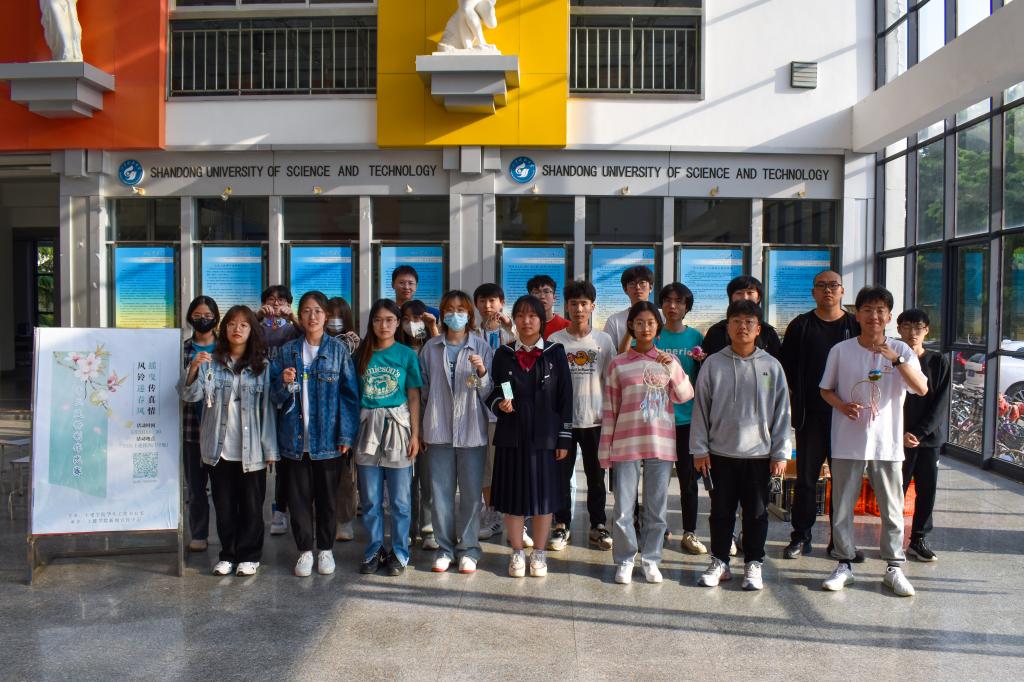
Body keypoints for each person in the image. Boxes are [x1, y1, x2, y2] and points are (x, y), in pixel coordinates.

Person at [819, 286, 928, 597]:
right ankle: (844, 563)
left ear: (889, 317)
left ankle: (894, 567)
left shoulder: (901, 349)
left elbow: (921, 388)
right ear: (857, 315)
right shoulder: (841, 350)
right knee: (842, 506)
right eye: (867, 310)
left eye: (880, 310)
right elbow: (825, 389)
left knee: (892, 508)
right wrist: (842, 406)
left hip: (887, 443)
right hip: (847, 439)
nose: (873, 316)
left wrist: (897, 360)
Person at [692, 300, 791, 591]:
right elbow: (701, 409)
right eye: (736, 321)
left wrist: (780, 452)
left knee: (757, 513)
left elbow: (782, 412)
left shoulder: (771, 366)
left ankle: (754, 563)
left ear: (758, 329)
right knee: (720, 512)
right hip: (720, 454)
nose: (742, 327)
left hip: (760, 455)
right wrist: (699, 448)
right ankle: (720, 562)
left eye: (749, 322)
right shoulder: (713, 364)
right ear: (728, 327)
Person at [179, 305, 278, 577]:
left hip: (251, 448)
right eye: (232, 324)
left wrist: (270, 448)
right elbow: (190, 396)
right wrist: (193, 369)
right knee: (223, 506)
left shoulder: (262, 367)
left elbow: (268, 410)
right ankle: (228, 555)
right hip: (218, 447)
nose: (237, 329)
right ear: (224, 329)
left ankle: (249, 556)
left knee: (251, 507)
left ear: (252, 331)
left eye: (244, 325)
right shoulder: (211, 362)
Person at [599, 301, 693, 584]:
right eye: (639, 322)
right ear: (631, 326)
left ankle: (651, 559)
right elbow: (610, 409)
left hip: (660, 443)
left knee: (656, 508)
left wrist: (672, 369)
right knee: (623, 509)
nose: (645, 327)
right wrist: (605, 450)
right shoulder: (618, 363)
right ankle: (625, 559)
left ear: (658, 327)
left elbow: (685, 396)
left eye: (650, 322)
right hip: (625, 443)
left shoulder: (667, 361)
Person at [270, 291, 360, 578]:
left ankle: (325, 549)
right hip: (294, 440)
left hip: (328, 440)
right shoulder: (287, 351)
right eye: (307, 311)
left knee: (327, 499)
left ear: (326, 316)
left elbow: (349, 396)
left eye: (318, 311)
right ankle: (305, 551)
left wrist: (346, 435)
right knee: (298, 499)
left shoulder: (338, 351)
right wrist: (283, 383)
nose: (312, 316)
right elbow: (273, 396)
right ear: (300, 315)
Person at [487, 295, 573, 578]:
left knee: (543, 498)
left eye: (532, 315)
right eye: (521, 315)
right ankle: (516, 552)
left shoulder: (555, 352)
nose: (526, 321)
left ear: (541, 320)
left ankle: (538, 552)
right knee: (513, 497)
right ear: (514, 319)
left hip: (546, 437)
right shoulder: (504, 354)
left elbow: (565, 397)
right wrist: (501, 403)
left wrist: (563, 438)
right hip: (512, 434)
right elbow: (498, 388)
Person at [781, 270, 860, 560]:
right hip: (811, 416)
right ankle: (800, 536)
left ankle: (839, 541)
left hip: (847, 416)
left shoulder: (854, 325)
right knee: (806, 479)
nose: (828, 290)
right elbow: (787, 367)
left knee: (843, 482)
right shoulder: (801, 325)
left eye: (833, 285)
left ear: (842, 291)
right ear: (813, 292)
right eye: (821, 286)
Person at [420, 290, 494, 573]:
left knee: (472, 494)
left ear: (469, 315)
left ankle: (469, 549)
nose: (455, 314)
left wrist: (482, 372)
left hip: (472, 431)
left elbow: (490, 392)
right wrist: (420, 430)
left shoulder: (480, 346)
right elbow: (423, 392)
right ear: (442, 313)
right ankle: (445, 548)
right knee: (440, 494)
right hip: (438, 430)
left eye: (460, 309)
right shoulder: (431, 348)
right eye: (449, 309)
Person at [353, 299, 424, 576]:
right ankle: (374, 550)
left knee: (400, 501)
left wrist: (415, 434)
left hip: (398, 429)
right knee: (370, 500)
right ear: (371, 323)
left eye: (389, 320)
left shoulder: (407, 354)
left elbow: (414, 396)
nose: (383, 325)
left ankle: (399, 552)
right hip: (367, 430)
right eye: (378, 320)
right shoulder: (361, 354)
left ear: (398, 323)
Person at [548, 280, 615, 551]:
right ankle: (561, 524)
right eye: (574, 303)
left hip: (595, 420)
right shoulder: (555, 341)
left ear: (592, 307)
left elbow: (610, 380)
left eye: (584, 303)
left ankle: (598, 524)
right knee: (561, 476)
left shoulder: (603, 340)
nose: (578, 309)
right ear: (567, 306)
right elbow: (550, 384)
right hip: (563, 421)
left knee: (596, 477)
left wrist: (611, 418)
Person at [655, 282, 709, 555]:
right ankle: (658, 527)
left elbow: (703, 379)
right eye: (667, 300)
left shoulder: (696, 337)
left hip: (688, 420)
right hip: (657, 421)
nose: (672, 306)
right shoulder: (654, 335)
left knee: (688, 481)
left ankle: (690, 532)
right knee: (657, 481)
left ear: (687, 307)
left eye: (679, 301)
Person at [897, 308, 950, 562]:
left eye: (918, 327)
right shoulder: (893, 360)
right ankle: (892, 537)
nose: (913, 333)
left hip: (928, 439)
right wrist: (901, 433)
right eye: (907, 327)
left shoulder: (938, 361)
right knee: (895, 490)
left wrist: (918, 433)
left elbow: (940, 403)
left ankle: (918, 539)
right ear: (899, 329)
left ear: (927, 331)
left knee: (927, 490)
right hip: (898, 439)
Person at [472, 283, 518, 542]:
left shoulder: (510, 334)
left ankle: (514, 517)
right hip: (477, 409)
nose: (488, 306)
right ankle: (491, 515)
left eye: (493, 301)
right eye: (483, 301)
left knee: (508, 465)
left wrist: (511, 328)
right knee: (486, 467)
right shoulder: (471, 334)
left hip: (504, 409)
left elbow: (510, 374)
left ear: (502, 303)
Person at [257, 285, 302, 538]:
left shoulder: (293, 328)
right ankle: (256, 511)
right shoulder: (258, 327)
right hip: (259, 396)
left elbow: (310, 336)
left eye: (282, 300)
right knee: (260, 457)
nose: (276, 304)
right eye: (271, 300)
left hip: (286, 396)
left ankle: (280, 510)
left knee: (285, 460)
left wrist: (292, 316)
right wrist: (256, 316)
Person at [396, 298, 439, 550]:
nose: (412, 324)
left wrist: (433, 329)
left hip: (431, 422)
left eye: (417, 319)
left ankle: (429, 528)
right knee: (406, 481)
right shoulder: (397, 349)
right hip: (403, 422)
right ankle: (409, 529)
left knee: (429, 480)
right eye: (407, 319)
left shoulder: (433, 346)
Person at [181, 296, 220, 553]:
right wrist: (193, 368)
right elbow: (177, 386)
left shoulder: (226, 347)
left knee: (223, 488)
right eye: (197, 315)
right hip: (191, 429)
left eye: (207, 315)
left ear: (216, 318)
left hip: (220, 430)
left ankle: (228, 535)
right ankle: (198, 533)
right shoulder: (183, 349)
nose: (202, 319)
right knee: (196, 487)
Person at [326, 296, 361, 543]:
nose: (334, 320)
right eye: (329, 315)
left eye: (339, 316)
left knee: (344, 473)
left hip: (345, 414)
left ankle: (344, 520)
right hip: (320, 415)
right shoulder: (312, 342)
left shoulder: (355, 344)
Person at [701, 276, 782, 359]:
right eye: (739, 293)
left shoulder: (768, 332)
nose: (745, 297)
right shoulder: (716, 331)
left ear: (758, 298)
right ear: (731, 297)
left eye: (750, 293)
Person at [603, 265, 657, 352]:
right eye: (632, 284)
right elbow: (608, 353)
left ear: (651, 287)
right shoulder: (614, 320)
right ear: (625, 290)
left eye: (642, 283)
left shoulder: (662, 316)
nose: (637, 287)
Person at [527, 274, 571, 340]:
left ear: (554, 298)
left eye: (546, 291)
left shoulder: (567, 326)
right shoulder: (524, 326)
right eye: (536, 292)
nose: (542, 296)